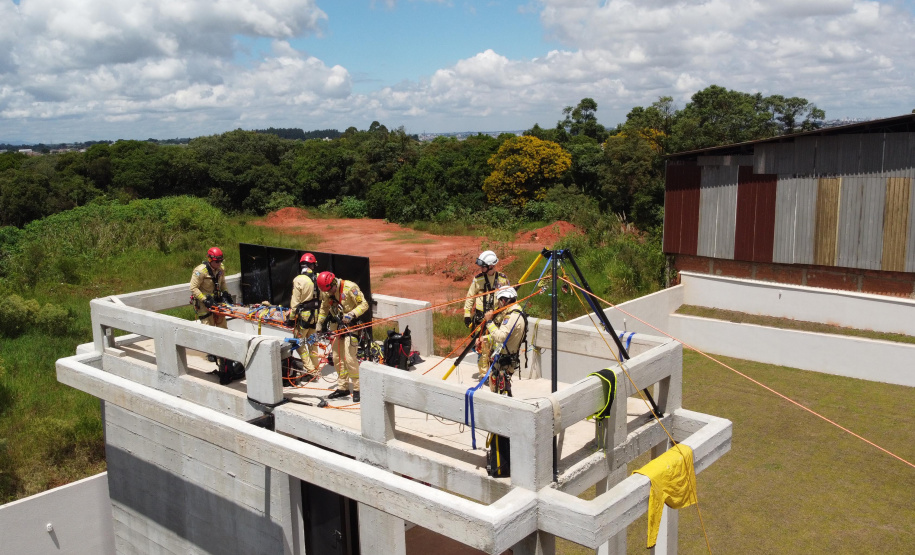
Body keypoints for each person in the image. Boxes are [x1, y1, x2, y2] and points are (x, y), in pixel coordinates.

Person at [316, 271, 369, 402]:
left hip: (351, 327)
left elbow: (364, 304)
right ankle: (342, 387)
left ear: (334, 283)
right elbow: (324, 308)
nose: (329, 294)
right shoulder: (327, 291)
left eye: (330, 290)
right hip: (337, 328)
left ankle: (357, 388)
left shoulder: (350, 288)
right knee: (336, 358)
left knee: (350, 358)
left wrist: (352, 314)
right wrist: (319, 323)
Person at [463, 250, 510, 373]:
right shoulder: (478, 280)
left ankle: (496, 373)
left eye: (482, 266)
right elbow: (470, 297)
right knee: (483, 349)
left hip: (497, 320)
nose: (480, 268)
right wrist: (467, 314)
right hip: (481, 321)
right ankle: (484, 375)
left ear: (490, 266)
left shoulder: (502, 279)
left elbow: (509, 297)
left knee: (497, 347)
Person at [475, 286, 527, 394]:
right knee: (501, 390)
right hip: (506, 359)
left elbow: (500, 337)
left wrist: (489, 322)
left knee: (499, 393)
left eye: (499, 301)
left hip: (504, 362)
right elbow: (504, 338)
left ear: (503, 301)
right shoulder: (517, 313)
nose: (498, 305)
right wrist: (484, 338)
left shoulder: (511, 317)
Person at [287, 253, 322, 382]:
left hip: (303, 318)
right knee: (313, 343)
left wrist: (291, 318)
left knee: (299, 344)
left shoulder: (298, 280)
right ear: (312, 265)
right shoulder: (318, 278)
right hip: (315, 317)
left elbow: (295, 302)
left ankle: (310, 371)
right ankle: (316, 370)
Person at [190, 247, 232, 329]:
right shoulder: (200, 271)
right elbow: (193, 288)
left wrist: (225, 292)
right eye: (217, 261)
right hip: (204, 305)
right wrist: (204, 299)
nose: (219, 263)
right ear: (210, 260)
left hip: (216, 301)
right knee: (209, 328)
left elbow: (222, 282)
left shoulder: (221, 268)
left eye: (221, 261)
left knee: (222, 326)